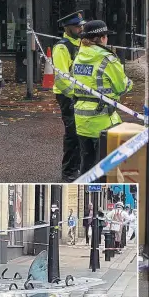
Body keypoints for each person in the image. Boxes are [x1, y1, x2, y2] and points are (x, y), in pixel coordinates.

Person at [72, 20, 133, 174]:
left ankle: (85, 187)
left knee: (86, 162)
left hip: (81, 118)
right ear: (102, 38)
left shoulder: (78, 57)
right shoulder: (108, 59)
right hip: (104, 119)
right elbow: (122, 87)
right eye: (106, 36)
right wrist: (129, 83)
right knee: (106, 167)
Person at [52, 11, 85, 181]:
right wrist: (76, 94)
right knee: (73, 134)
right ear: (67, 28)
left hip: (80, 95)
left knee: (82, 132)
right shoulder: (62, 47)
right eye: (77, 26)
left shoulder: (81, 44)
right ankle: (68, 173)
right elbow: (61, 79)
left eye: (81, 25)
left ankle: (78, 168)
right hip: (68, 96)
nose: (80, 28)